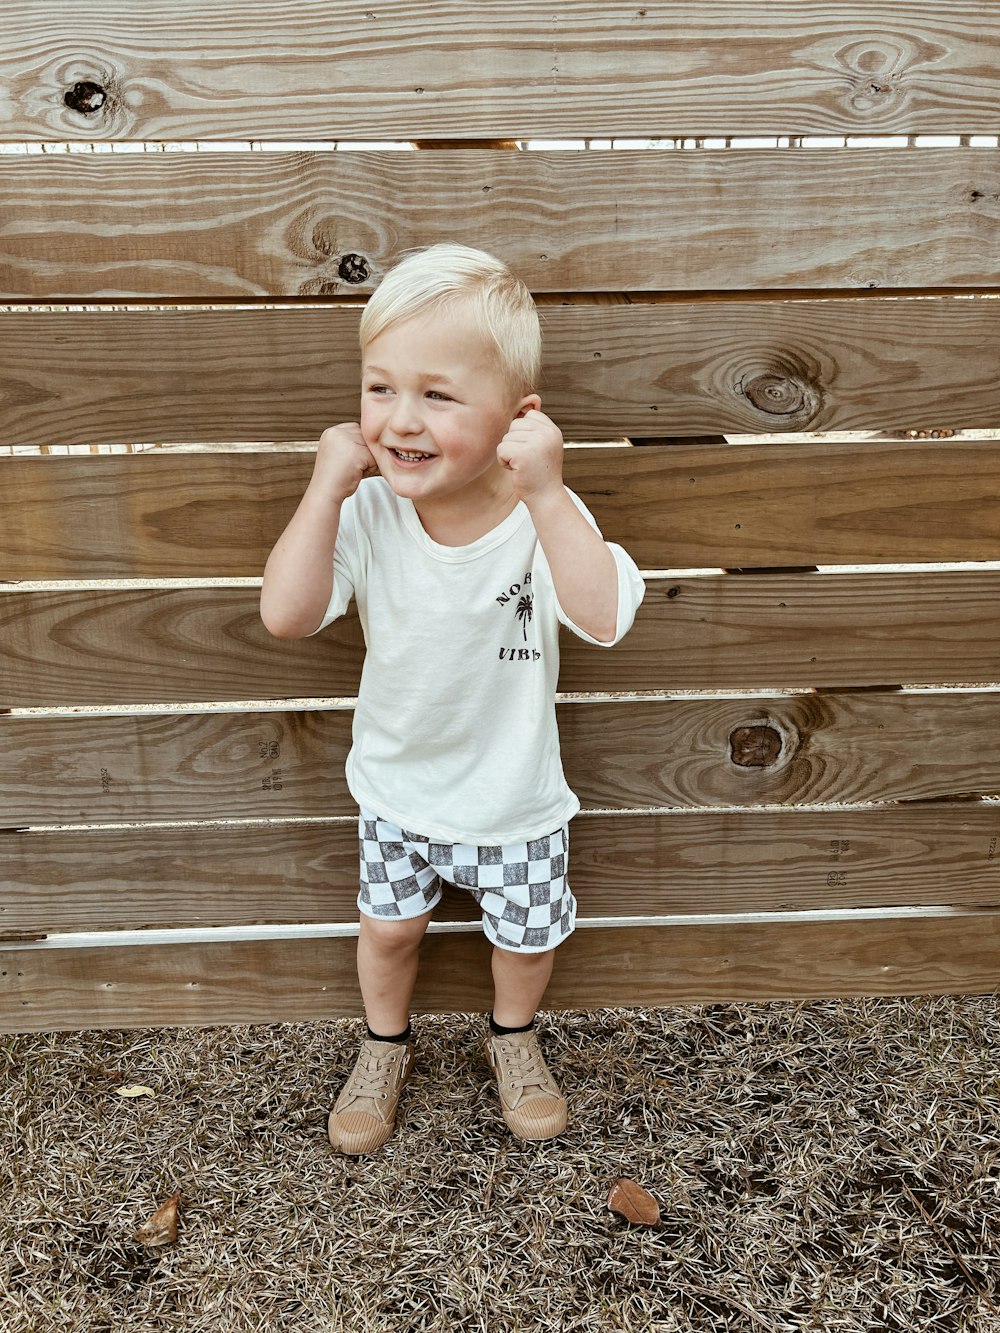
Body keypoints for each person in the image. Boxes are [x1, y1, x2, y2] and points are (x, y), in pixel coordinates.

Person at [260, 243, 645, 1155]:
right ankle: (384, 1043)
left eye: (438, 395)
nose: (401, 420)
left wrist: (548, 492)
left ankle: (513, 1037)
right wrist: (324, 487)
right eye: (380, 387)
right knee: (388, 933)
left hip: (513, 799)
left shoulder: (543, 512)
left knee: (524, 941)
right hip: (398, 793)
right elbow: (286, 614)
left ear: (519, 418)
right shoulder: (369, 512)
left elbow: (604, 618)